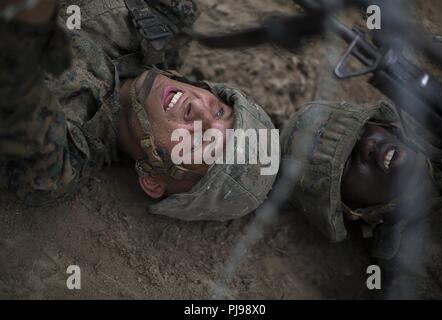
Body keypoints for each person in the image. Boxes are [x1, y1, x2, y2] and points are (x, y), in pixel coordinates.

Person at [0, 0, 277, 221]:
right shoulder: (169, 19)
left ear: (154, 180)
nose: (199, 111)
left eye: (200, 141)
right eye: (219, 111)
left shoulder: (59, 159)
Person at [281, 100, 442, 299]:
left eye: (361, 131)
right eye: (347, 164)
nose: (366, 145)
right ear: (352, 209)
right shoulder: (411, 277)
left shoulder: (440, 121)